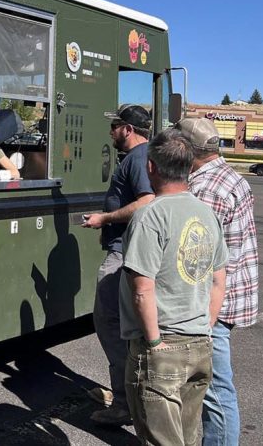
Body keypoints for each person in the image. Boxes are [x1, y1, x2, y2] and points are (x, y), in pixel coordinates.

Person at [120, 128, 227, 446]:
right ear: (189, 166)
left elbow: (142, 289)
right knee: (189, 437)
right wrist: (205, 326)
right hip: (199, 344)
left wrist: (153, 343)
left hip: (162, 344)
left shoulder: (148, 217)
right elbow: (219, 278)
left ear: (151, 167)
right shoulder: (207, 214)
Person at [176, 118, 258, 446]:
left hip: (214, 303)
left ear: (188, 149)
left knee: (215, 390)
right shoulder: (229, 176)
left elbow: (196, 256)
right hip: (231, 295)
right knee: (211, 386)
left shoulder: (206, 188)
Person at [82, 104, 155, 425]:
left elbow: (146, 202)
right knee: (122, 326)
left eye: (114, 126)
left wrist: (106, 217)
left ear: (127, 129)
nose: (110, 132)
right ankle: (128, 391)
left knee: (110, 322)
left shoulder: (138, 159)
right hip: (126, 249)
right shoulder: (143, 156)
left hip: (123, 253)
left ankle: (125, 403)